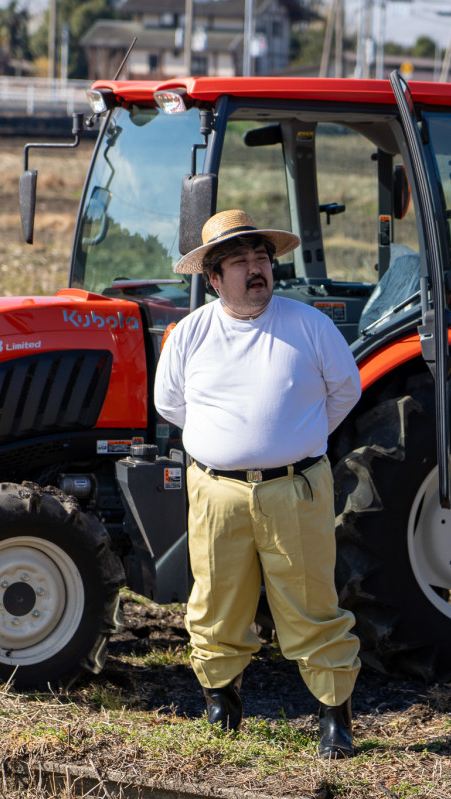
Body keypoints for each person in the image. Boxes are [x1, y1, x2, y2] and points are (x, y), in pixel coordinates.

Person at [153, 209, 363, 759]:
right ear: (214, 279)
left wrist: (294, 440)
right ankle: (222, 704)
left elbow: (344, 392)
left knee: (313, 603)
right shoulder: (190, 333)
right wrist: (229, 447)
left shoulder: (309, 325)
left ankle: (334, 717)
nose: (256, 269)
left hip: (294, 490)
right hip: (216, 494)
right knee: (216, 603)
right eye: (240, 261)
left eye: (262, 258)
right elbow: (170, 403)